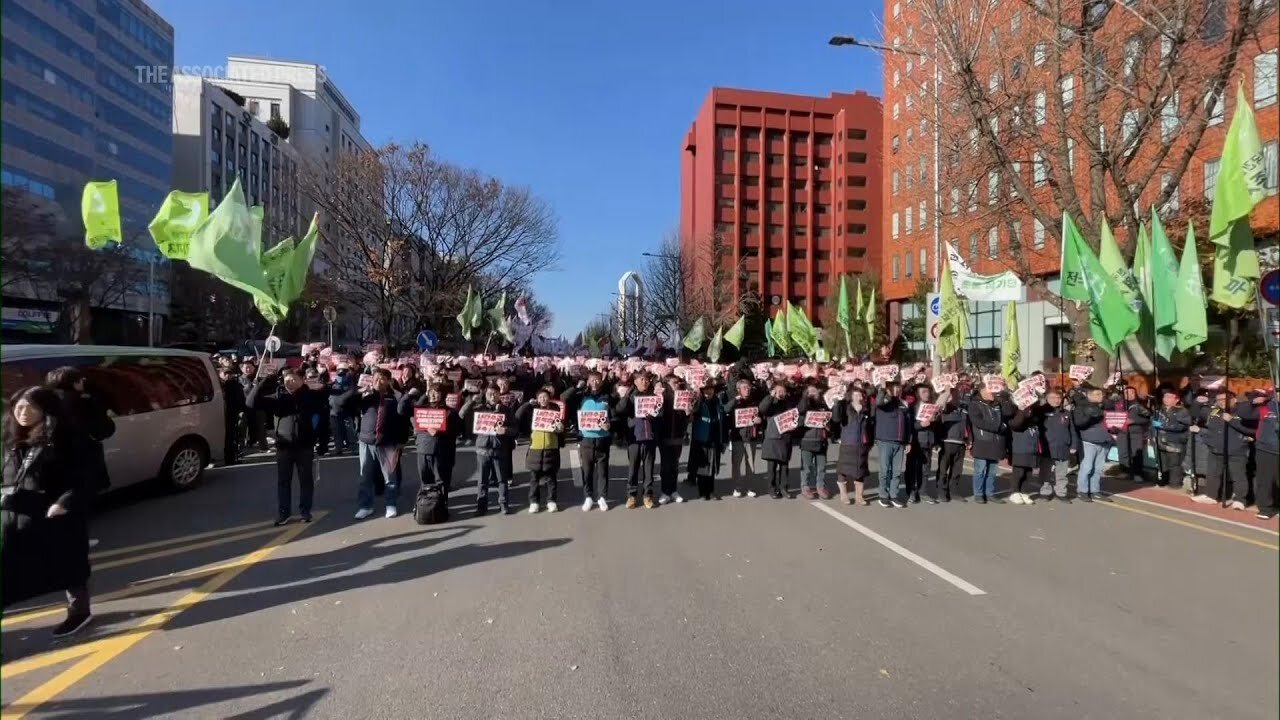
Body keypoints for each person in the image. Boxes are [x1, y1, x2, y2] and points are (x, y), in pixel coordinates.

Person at [2, 386, 93, 637]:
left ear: (46, 409)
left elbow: (84, 476)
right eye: (18, 406)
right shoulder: (9, 436)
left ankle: (79, 612)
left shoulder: (66, 437)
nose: (22, 412)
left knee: (68, 564)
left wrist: (65, 502)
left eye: (30, 406)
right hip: (17, 514)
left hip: (57, 515)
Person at [247, 369, 325, 525]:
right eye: (286, 379)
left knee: (306, 481)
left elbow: (323, 415)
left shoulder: (311, 396)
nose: (289, 382)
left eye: (293, 379)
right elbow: (250, 403)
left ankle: (305, 511)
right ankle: (284, 513)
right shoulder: (278, 398)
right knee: (283, 481)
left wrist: (322, 443)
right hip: (284, 447)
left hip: (305, 446)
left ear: (302, 380)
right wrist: (263, 382)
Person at [44, 367, 114, 492]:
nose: (83, 381)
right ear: (75, 383)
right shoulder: (84, 402)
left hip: (52, 458)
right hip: (82, 457)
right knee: (81, 495)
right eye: (80, 379)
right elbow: (103, 431)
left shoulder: (44, 402)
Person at [406, 381, 469, 515]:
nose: (434, 396)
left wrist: (442, 431)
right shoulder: (422, 409)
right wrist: (422, 393)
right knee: (425, 478)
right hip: (423, 449)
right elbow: (404, 410)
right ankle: (423, 503)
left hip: (442, 451)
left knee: (441, 480)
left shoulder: (450, 412)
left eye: (437, 393)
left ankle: (441, 504)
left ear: (444, 395)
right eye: (431, 393)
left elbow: (458, 430)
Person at [564, 372, 613, 511]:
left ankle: (602, 497)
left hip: (602, 439)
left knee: (603, 471)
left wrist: (610, 425)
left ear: (601, 381)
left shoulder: (607, 397)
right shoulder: (582, 396)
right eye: (592, 380)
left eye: (598, 380)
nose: (595, 383)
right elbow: (564, 397)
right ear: (588, 381)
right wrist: (576, 387)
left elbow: (614, 416)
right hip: (586, 439)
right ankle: (588, 497)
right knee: (587, 471)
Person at [1196, 389, 1253, 509]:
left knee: (1238, 476)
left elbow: (1251, 431)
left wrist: (1231, 420)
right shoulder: (1215, 411)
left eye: (1224, 399)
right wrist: (1198, 402)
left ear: (1233, 399)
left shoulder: (1242, 412)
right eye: (1219, 400)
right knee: (1213, 473)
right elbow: (1197, 415)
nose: (1221, 402)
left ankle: (1240, 500)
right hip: (1216, 448)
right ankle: (1211, 496)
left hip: (1235, 450)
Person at [617, 374, 662, 509]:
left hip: (650, 438)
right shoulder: (631, 396)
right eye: (641, 379)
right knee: (633, 469)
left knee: (649, 470)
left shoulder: (653, 396)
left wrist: (654, 414)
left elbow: (661, 414)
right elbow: (620, 409)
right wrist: (627, 394)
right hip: (635, 438)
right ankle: (632, 496)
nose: (644, 382)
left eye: (647, 379)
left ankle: (648, 495)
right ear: (635, 381)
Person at [515, 387, 564, 513]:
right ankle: (534, 502)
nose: (543, 399)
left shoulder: (555, 409)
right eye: (540, 397)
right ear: (537, 399)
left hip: (551, 446)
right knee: (534, 477)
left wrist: (560, 428)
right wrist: (527, 403)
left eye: (545, 396)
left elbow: (560, 428)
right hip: (535, 447)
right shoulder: (532, 410)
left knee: (551, 477)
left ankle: (551, 501)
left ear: (549, 397)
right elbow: (517, 415)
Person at [968, 382, 1007, 504]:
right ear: (982, 391)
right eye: (990, 390)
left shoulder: (997, 404)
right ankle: (979, 493)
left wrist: (1004, 396)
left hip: (996, 442)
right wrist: (997, 427)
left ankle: (990, 493)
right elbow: (978, 422)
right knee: (980, 469)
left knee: (992, 470)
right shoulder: (975, 404)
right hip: (982, 441)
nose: (993, 392)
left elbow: (1007, 417)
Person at [833, 386, 873, 505]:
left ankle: (859, 496)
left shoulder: (866, 409)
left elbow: (870, 426)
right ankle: (844, 494)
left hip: (862, 443)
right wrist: (836, 404)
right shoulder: (845, 407)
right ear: (851, 397)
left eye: (861, 395)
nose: (859, 397)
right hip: (848, 442)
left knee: (860, 470)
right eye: (856, 395)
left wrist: (869, 441)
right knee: (843, 469)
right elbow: (836, 418)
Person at [1073, 384, 1113, 503]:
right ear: (1089, 396)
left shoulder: (1105, 406)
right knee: (1087, 467)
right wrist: (1092, 417)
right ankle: (1082, 491)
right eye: (1096, 394)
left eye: (1100, 394)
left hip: (1104, 440)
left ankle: (1095, 490)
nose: (1099, 396)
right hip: (1089, 441)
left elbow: (1114, 414)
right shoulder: (1081, 408)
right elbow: (1079, 423)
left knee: (1098, 468)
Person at [873, 381, 911, 508]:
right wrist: (883, 388)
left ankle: (894, 495)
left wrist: (908, 441)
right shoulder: (885, 402)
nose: (897, 390)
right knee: (885, 470)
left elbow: (908, 425)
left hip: (899, 442)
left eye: (898, 387)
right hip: (885, 441)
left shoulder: (904, 403)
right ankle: (883, 495)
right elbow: (878, 402)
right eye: (894, 387)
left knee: (897, 472)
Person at [687, 382, 727, 500]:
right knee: (701, 466)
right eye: (705, 389)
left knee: (712, 467)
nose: (707, 392)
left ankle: (711, 491)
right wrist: (697, 397)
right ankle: (703, 492)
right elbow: (693, 412)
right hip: (701, 438)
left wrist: (724, 440)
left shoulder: (719, 402)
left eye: (710, 389)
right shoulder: (698, 402)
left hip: (715, 438)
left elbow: (723, 421)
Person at [724, 378, 762, 498]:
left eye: (749, 388)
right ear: (738, 390)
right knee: (736, 464)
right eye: (745, 388)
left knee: (750, 465)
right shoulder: (735, 402)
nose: (748, 390)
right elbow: (726, 409)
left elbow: (761, 416)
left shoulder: (754, 402)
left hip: (751, 437)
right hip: (737, 438)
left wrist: (759, 420)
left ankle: (750, 487)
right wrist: (735, 399)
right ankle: (737, 487)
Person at [758, 382, 796, 499]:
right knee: (772, 467)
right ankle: (772, 489)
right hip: (772, 437)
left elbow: (795, 415)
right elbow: (762, 409)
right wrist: (771, 396)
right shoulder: (770, 403)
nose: (781, 393)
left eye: (782, 391)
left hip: (785, 437)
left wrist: (794, 425)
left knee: (784, 466)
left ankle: (784, 488)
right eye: (778, 391)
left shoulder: (789, 402)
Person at [795, 383, 832, 500]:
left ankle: (820, 486)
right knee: (807, 467)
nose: (813, 394)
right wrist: (806, 398)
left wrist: (828, 427)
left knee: (821, 467)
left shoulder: (823, 405)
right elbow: (799, 413)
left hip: (821, 440)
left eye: (815, 392)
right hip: (807, 440)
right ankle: (805, 487)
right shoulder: (803, 406)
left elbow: (830, 419)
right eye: (810, 392)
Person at [1039, 389, 1076, 502]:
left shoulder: (1066, 413)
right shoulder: (1042, 413)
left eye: (1058, 398)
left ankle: (1061, 492)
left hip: (1063, 447)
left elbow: (1072, 431)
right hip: (1047, 448)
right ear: (1047, 399)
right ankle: (1046, 491)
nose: (1056, 400)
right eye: (1053, 398)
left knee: (1062, 473)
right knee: (1046, 472)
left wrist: (1073, 445)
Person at [657, 376, 688, 505]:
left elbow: (686, 418)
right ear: (667, 383)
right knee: (665, 465)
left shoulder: (683, 395)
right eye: (674, 382)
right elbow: (658, 413)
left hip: (678, 436)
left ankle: (674, 490)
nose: (677, 384)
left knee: (675, 464)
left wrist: (688, 412)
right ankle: (665, 491)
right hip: (664, 435)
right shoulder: (662, 395)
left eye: (678, 382)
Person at [1151, 390, 1192, 488]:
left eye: (1169, 397)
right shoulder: (1159, 409)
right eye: (1165, 397)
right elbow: (1153, 421)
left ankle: (1175, 483)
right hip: (1160, 440)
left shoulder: (1182, 411)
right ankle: (1164, 479)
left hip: (1175, 442)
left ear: (1176, 399)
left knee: (1174, 464)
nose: (1166, 399)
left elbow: (1182, 426)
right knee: (1162, 463)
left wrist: (1163, 425)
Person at [933, 388, 968, 503]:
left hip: (961, 443)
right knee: (943, 469)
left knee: (957, 470)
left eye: (956, 393)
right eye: (953, 393)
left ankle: (953, 491)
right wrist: (947, 392)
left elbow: (968, 425)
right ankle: (941, 492)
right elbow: (938, 406)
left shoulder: (963, 409)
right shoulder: (945, 408)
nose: (956, 395)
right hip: (947, 442)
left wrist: (969, 439)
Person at [906, 384, 938, 504]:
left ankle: (923, 492)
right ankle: (911, 493)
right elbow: (909, 426)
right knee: (913, 469)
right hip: (916, 442)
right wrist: (920, 425)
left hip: (928, 442)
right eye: (923, 392)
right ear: (917, 394)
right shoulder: (912, 407)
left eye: (928, 391)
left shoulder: (932, 407)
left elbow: (935, 426)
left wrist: (934, 420)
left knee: (925, 469)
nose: (927, 394)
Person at [1117, 386, 1152, 482]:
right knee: (1123, 452)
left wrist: (1133, 421)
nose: (1129, 394)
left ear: (1135, 393)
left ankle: (1137, 474)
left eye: (1131, 392)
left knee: (1136, 453)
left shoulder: (1140, 405)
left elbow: (1147, 418)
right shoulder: (1119, 404)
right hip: (1122, 432)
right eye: (1126, 392)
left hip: (1136, 432)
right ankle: (1125, 471)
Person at [1254, 388, 1278, 520]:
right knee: (1266, 480)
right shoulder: (1265, 407)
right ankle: (1265, 508)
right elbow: (1245, 413)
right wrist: (1253, 402)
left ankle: (1277, 505)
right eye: (1276, 391)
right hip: (1266, 449)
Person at [216, 367, 244, 466]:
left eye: (229, 373)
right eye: (225, 373)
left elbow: (241, 399)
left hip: (231, 414)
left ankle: (230, 459)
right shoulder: (217, 385)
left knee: (231, 438)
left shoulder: (235, 385)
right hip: (219, 415)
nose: (227, 375)